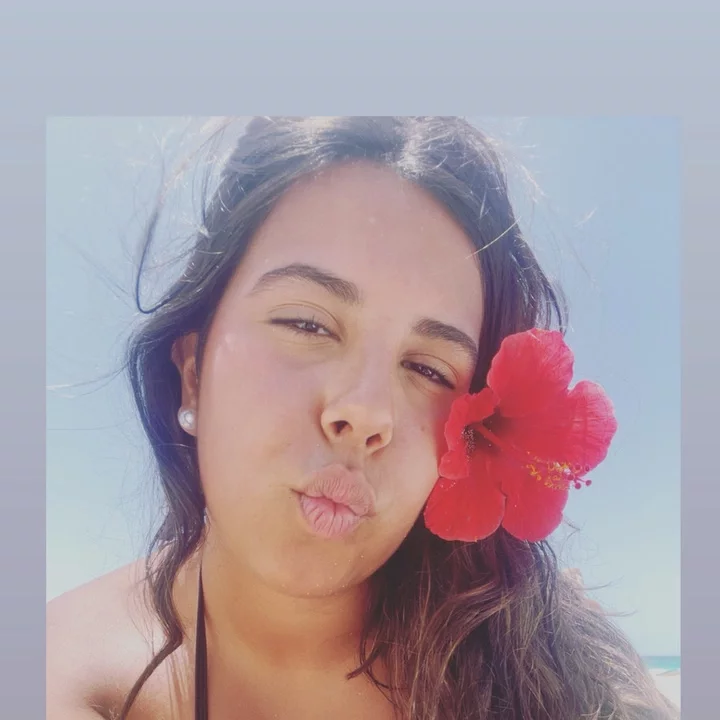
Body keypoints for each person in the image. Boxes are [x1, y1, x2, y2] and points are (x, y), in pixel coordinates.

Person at [46, 116, 678, 720]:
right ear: (193, 370)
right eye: (307, 324)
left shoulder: (556, 669)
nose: (367, 412)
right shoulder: (58, 674)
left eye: (429, 369)